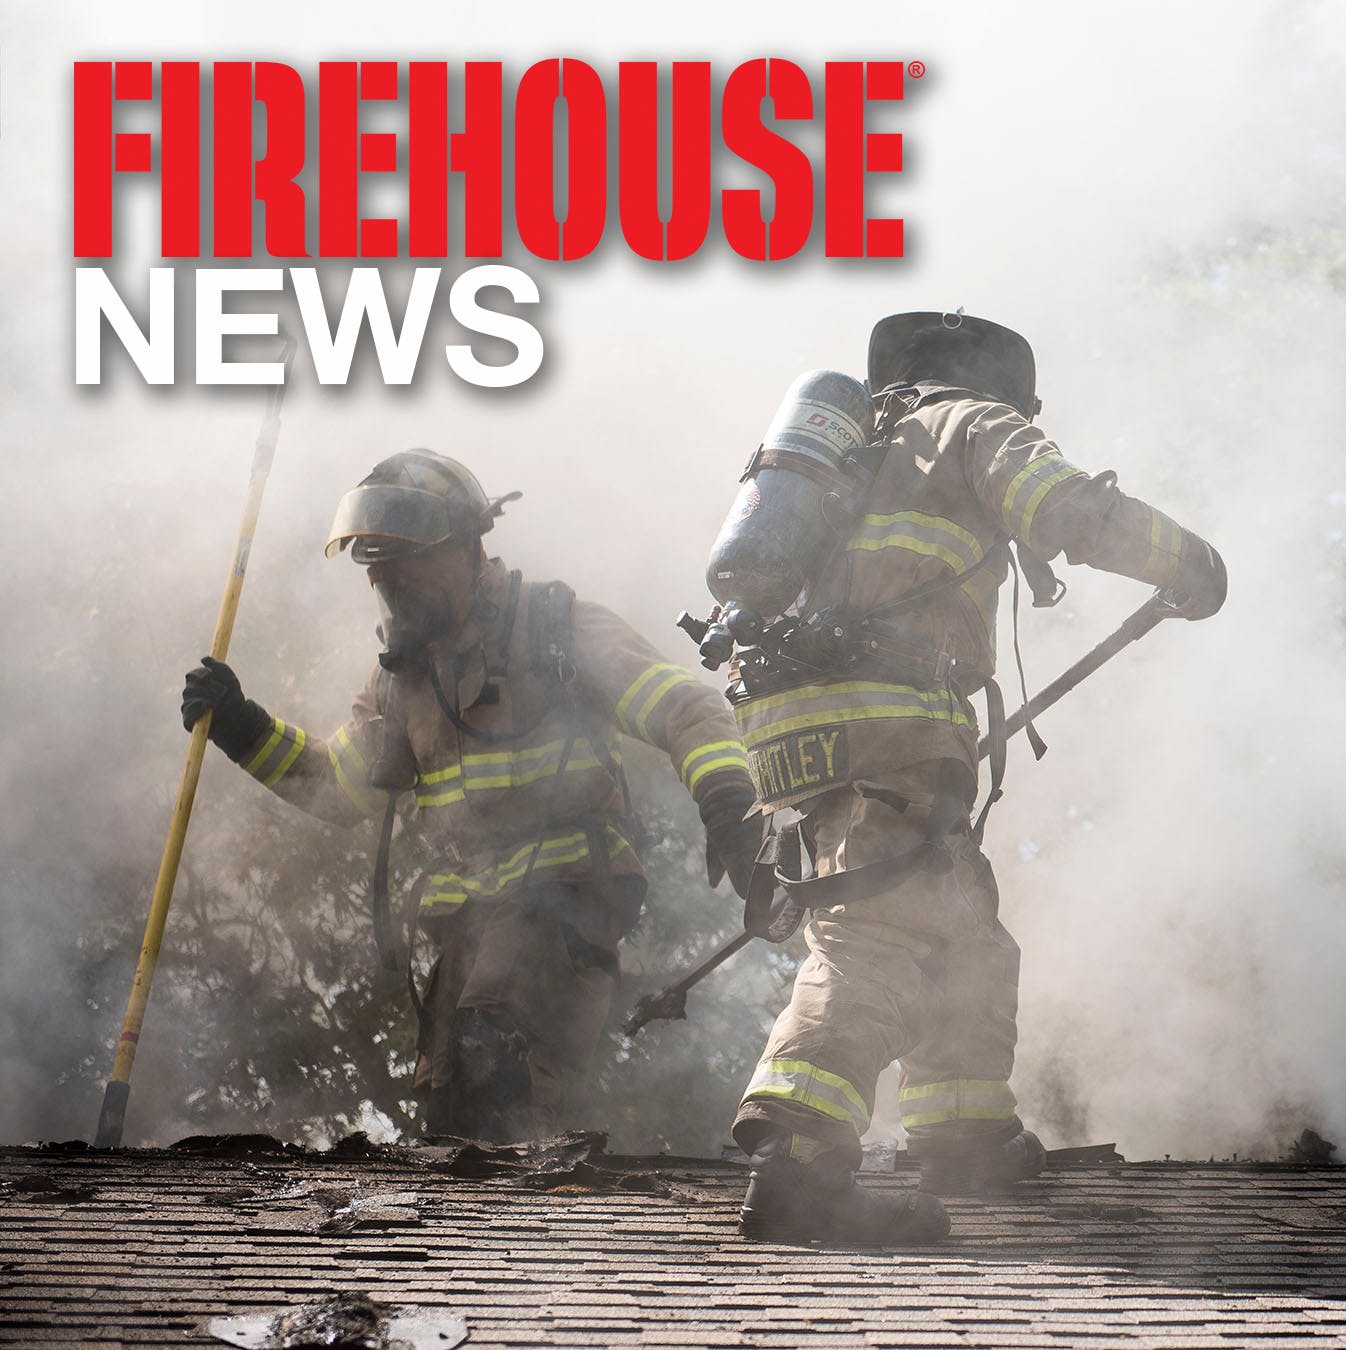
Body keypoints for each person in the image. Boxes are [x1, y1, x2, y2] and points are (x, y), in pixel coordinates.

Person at [727, 312, 1227, 1245]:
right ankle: (798, 1164)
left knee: (961, 926)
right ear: (1004, 388)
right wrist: (1189, 562)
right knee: (880, 932)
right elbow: (1070, 510)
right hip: (891, 708)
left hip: (794, 717)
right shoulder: (971, 423)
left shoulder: (854, 451)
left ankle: (962, 1132)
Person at [179, 450, 765, 1141]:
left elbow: (688, 708)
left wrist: (728, 802)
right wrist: (243, 727)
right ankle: (502, 1245)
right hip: (467, 929)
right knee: (456, 1123)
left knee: (499, 1060)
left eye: (406, 564)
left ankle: (529, 1235)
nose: (391, 587)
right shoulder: (403, 678)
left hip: (563, 904)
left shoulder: (555, 627)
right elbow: (340, 790)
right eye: (378, 573)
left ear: (467, 546)